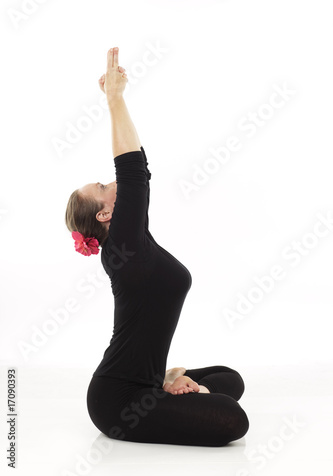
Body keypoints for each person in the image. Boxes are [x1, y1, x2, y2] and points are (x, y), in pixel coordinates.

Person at [65, 47, 249, 447]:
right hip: (119, 401)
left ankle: (169, 382)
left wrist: (175, 379)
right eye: (102, 187)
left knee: (228, 379)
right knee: (232, 420)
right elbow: (133, 172)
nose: (110, 184)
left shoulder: (134, 244)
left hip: (145, 382)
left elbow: (138, 174)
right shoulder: (122, 248)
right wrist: (114, 98)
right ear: (102, 216)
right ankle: (172, 389)